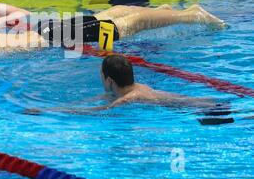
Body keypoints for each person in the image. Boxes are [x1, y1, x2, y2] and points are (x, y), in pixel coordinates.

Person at [0, 4, 225, 52]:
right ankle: (161, 12)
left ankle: (190, 15)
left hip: (55, 37)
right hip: (50, 30)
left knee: (124, 27)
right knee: (110, 13)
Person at [25, 55, 231, 116]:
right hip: (191, 101)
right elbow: (90, 102)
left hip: (196, 108)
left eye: (100, 75)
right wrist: (49, 106)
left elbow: (91, 111)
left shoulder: (127, 99)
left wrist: (45, 112)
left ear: (109, 81)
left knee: (225, 111)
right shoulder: (132, 88)